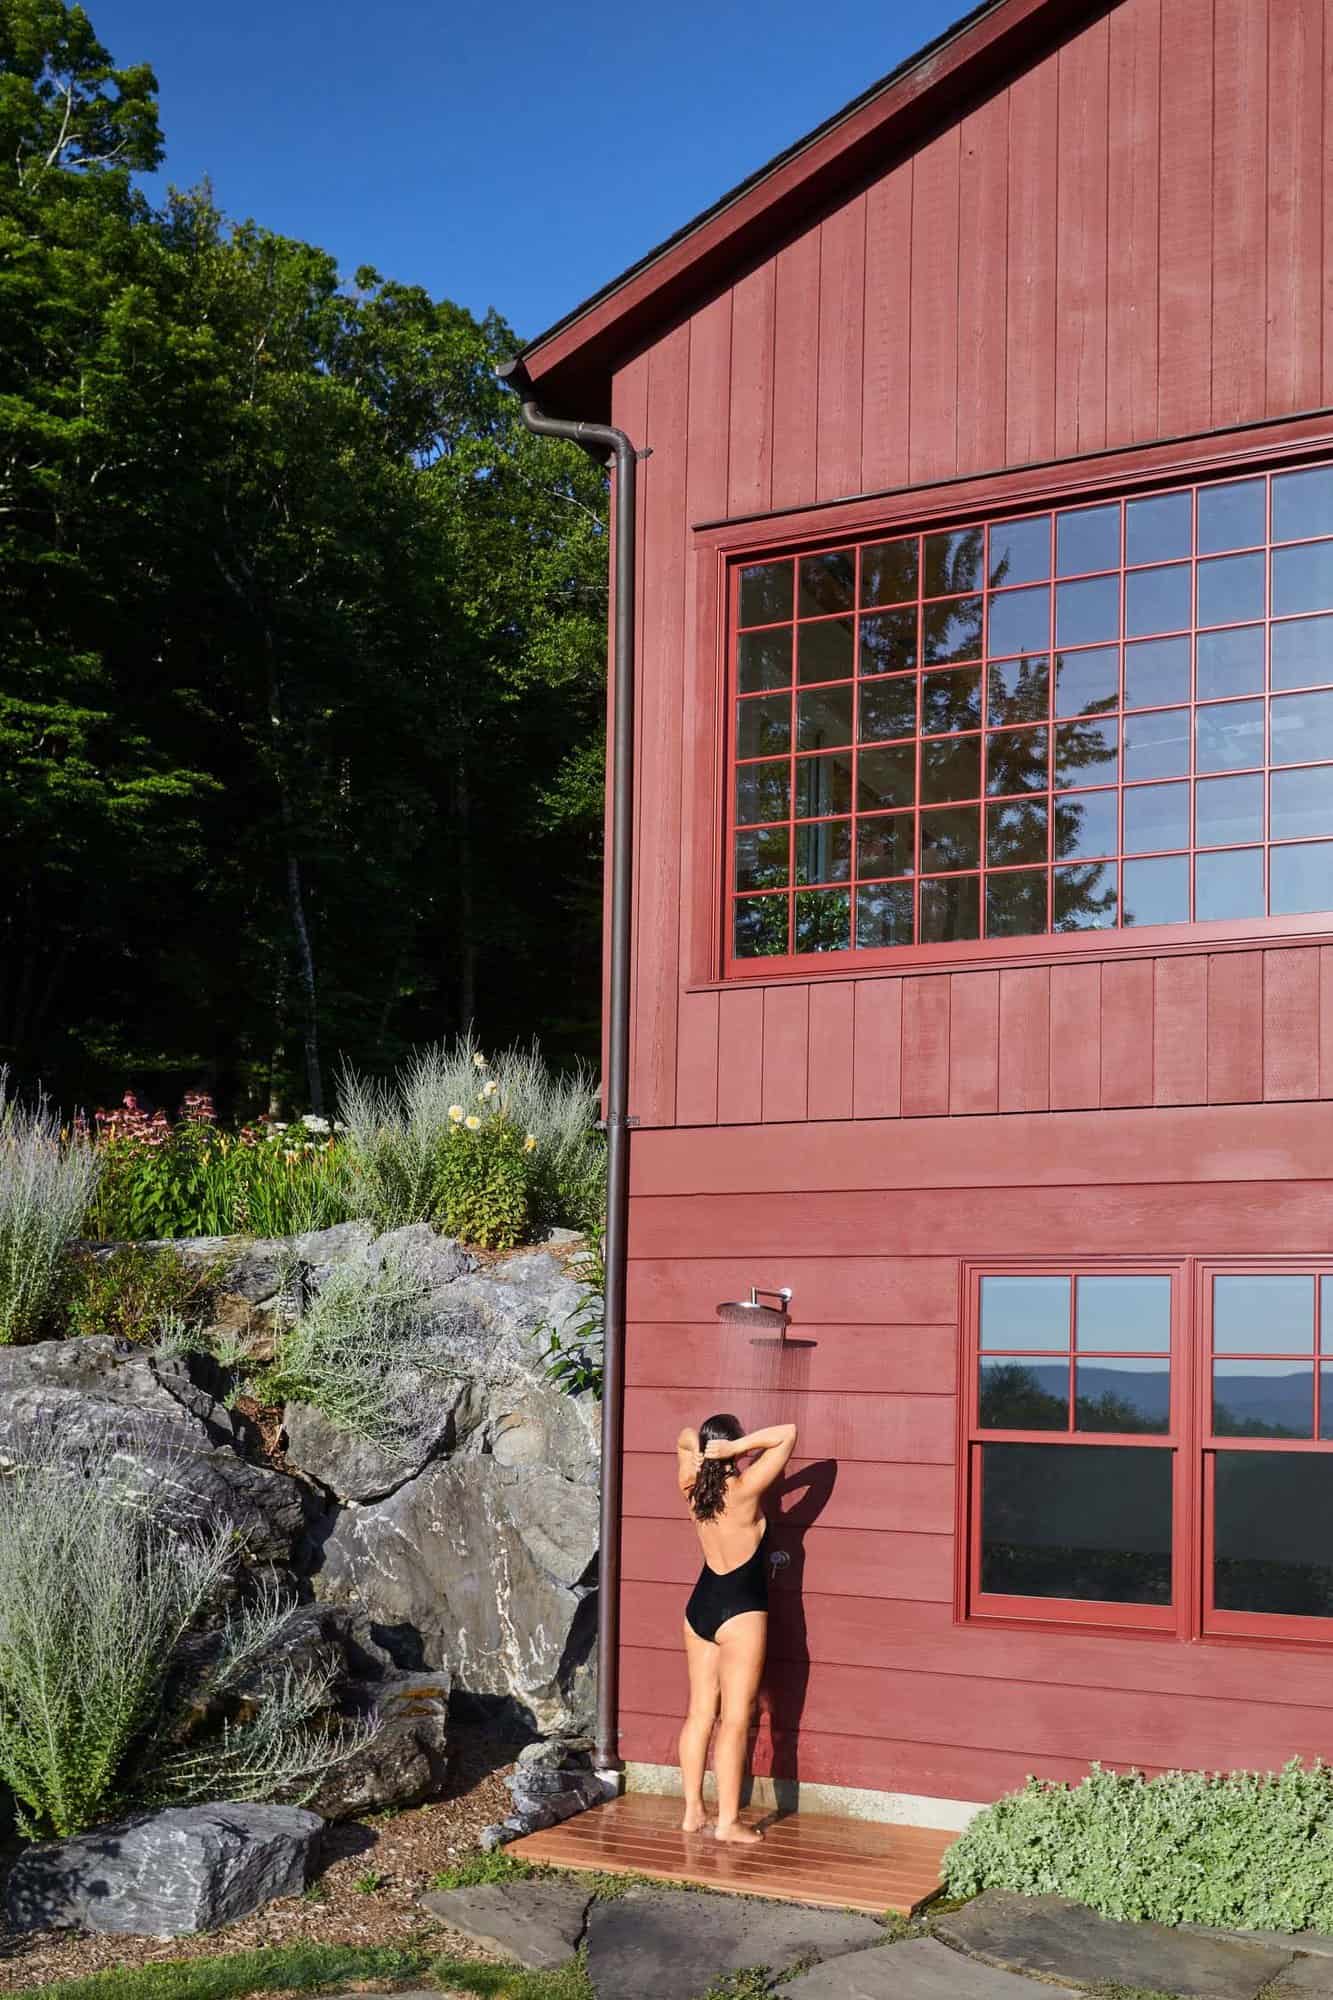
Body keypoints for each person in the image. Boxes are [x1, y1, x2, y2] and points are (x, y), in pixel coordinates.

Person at [674, 1412, 798, 1843]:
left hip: (699, 1607)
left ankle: (693, 1811)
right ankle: (727, 1823)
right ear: (735, 1447)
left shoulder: (692, 1490)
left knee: (699, 1712)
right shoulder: (744, 1491)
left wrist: (707, 1450)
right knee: (734, 1719)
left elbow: (684, 1437)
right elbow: (787, 1434)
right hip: (741, 1611)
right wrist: (735, 1451)